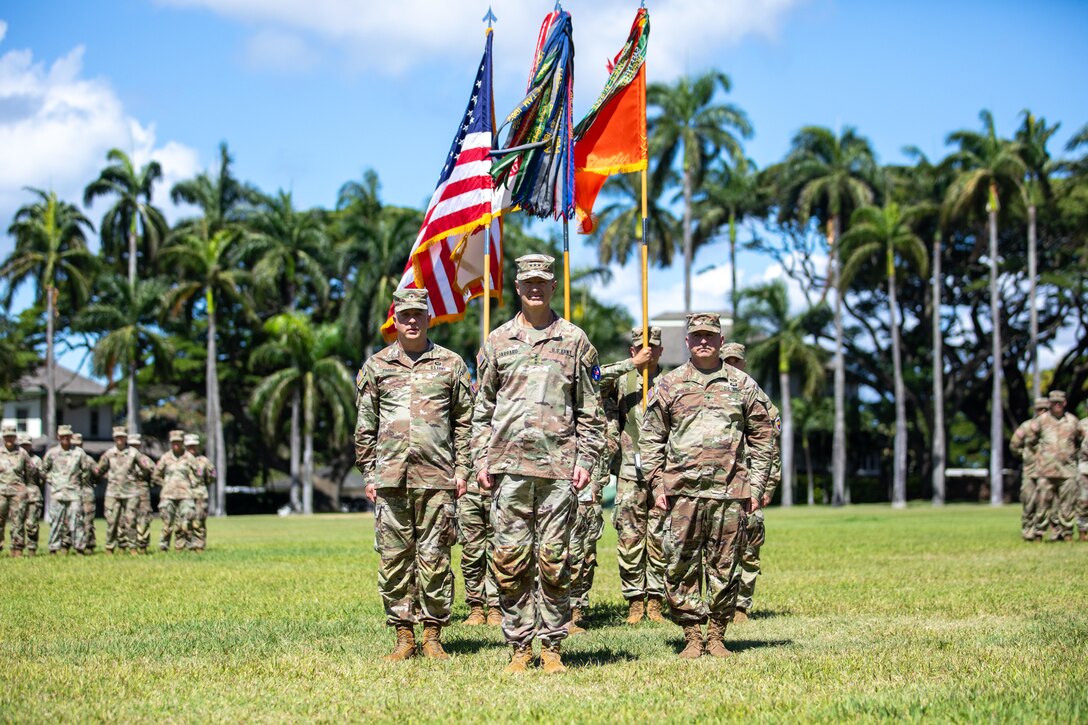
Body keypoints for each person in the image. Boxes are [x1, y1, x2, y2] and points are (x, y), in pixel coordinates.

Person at [472, 253, 605, 674]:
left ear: (552, 287)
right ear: (517, 287)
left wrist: (586, 459)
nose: (534, 289)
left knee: (554, 560)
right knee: (510, 561)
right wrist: (480, 458)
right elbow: (482, 407)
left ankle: (551, 647)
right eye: (527, 282)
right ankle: (518, 647)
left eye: (541, 282)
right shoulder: (497, 341)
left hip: (559, 469)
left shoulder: (575, 340)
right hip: (508, 468)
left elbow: (590, 409)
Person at [641, 313, 774, 659]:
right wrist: (657, 484)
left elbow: (762, 435)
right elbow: (651, 437)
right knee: (678, 565)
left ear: (720, 340)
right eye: (696, 336)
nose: (703, 341)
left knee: (725, 566)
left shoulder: (742, 384)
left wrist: (756, 487)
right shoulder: (669, 385)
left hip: (730, 492)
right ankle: (692, 635)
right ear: (686, 341)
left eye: (710, 336)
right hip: (681, 491)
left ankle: (716, 635)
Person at [355, 288, 474, 661]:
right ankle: (404, 636)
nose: (411, 321)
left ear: (428, 318)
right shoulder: (377, 366)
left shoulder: (451, 364)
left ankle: (433, 635)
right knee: (394, 558)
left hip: (438, 477)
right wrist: (369, 473)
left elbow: (465, 423)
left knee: (435, 557)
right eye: (404, 315)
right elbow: (364, 426)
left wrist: (463, 469)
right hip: (390, 478)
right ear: (396, 319)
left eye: (417, 314)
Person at [597, 326, 668, 625]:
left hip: (663, 473)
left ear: (661, 350)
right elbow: (592, 377)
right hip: (628, 471)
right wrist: (632, 366)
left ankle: (656, 601)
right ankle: (635, 602)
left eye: (652, 346)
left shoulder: (672, 382)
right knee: (629, 539)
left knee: (661, 538)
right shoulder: (622, 380)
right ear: (632, 350)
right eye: (641, 346)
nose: (647, 351)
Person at [720, 342, 780, 623]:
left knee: (749, 546)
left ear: (744, 364)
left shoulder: (757, 396)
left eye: (736, 360)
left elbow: (770, 447)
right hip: (718, 484)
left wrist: (767, 486)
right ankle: (719, 603)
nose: (732, 364)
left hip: (750, 483)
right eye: (726, 360)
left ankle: (742, 605)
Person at [1029, 391, 1082, 542]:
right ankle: (1039, 533)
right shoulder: (1041, 421)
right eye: (1054, 402)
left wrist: (1069, 454)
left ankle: (1067, 534)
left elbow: (1079, 440)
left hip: (1067, 471)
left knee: (1067, 505)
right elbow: (1031, 441)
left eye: (1060, 402)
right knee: (1042, 503)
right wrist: (1042, 457)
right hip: (1046, 470)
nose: (1057, 405)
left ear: (1064, 403)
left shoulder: (1072, 421)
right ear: (1049, 403)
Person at [98, 426, 150, 554]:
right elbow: (99, 469)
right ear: (114, 438)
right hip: (113, 492)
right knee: (112, 521)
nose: (119, 439)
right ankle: (109, 548)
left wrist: (140, 476)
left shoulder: (133, 453)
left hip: (131, 492)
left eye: (122, 437)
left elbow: (146, 467)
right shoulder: (109, 453)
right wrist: (108, 477)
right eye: (117, 437)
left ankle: (133, 547)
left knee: (131, 520)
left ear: (126, 438)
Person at [42, 425, 92, 555]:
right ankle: (53, 549)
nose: (65, 439)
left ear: (71, 437)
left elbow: (86, 471)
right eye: (63, 436)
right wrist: (52, 480)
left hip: (74, 493)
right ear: (58, 437)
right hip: (57, 493)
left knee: (77, 521)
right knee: (56, 522)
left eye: (68, 436)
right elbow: (43, 470)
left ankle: (80, 548)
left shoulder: (79, 453)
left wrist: (79, 484)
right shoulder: (52, 453)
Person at [1010, 398, 1050, 541]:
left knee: (1046, 503)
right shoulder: (1027, 426)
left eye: (1046, 409)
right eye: (1040, 409)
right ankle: (1028, 531)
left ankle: (1041, 533)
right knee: (1029, 501)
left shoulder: (1052, 427)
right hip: (1031, 470)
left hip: (1049, 472)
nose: (1043, 412)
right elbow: (1014, 445)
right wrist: (1025, 455)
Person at [153, 430, 198, 552]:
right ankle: (164, 546)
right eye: (174, 442)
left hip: (185, 495)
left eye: (178, 442)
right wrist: (165, 484)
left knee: (187, 520)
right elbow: (156, 475)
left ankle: (189, 546)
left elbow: (197, 474)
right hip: (168, 495)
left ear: (183, 443)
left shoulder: (189, 457)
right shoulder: (165, 457)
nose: (176, 445)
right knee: (167, 523)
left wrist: (192, 484)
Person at [0, 423, 31, 557]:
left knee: (17, 522)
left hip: (18, 493)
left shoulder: (22, 453)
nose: (9, 439)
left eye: (12, 436)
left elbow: (30, 472)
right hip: (1, 493)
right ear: (3, 437)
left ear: (15, 437)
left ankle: (17, 549)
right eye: (7, 437)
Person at [185, 434, 214, 552]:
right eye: (189, 445)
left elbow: (212, 477)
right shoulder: (182, 460)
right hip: (184, 495)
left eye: (194, 445)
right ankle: (187, 546)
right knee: (185, 521)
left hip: (200, 495)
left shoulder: (204, 461)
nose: (192, 448)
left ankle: (200, 546)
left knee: (199, 521)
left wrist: (202, 485)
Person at [70, 432, 98, 554]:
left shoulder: (89, 460)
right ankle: (72, 546)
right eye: (74, 444)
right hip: (71, 494)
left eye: (79, 444)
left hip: (87, 494)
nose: (77, 447)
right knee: (72, 521)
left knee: (88, 521)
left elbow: (98, 473)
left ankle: (89, 546)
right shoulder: (68, 459)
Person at [17, 433, 44, 556]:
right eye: (22, 445)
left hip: (33, 495)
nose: (24, 448)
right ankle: (17, 549)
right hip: (17, 496)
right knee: (17, 523)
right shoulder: (15, 458)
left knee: (32, 523)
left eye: (27, 445)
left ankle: (32, 549)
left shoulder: (37, 460)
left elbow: (41, 479)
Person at [128, 434, 156, 554]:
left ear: (139, 445)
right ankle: (128, 545)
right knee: (128, 518)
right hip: (127, 491)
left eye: (136, 445)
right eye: (131, 445)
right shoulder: (124, 458)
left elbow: (155, 474)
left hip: (142, 491)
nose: (134, 447)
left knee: (144, 518)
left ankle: (143, 545)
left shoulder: (145, 460)